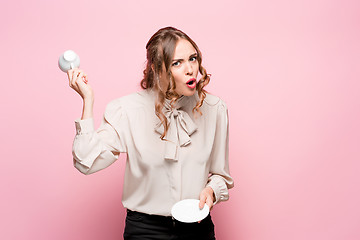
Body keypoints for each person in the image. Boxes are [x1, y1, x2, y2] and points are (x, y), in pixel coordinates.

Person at [68, 26, 234, 240]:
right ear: (157, 69)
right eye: (177, 63)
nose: (190, 69)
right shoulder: (127, 110)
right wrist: (87, 100)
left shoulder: (214, 109)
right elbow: (86, 162)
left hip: (197, 228)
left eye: (192, 59)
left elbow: (221, 175)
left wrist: (211, 192)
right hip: (145, 231)